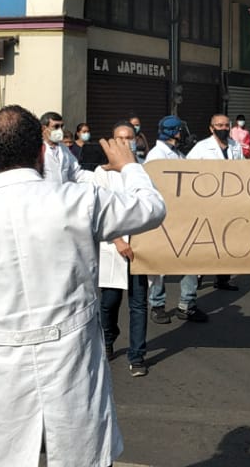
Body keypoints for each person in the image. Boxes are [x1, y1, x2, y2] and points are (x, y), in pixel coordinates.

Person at [0, 105, 167, 466]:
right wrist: (130, 166)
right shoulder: (77, 201)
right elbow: (151, 207)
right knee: (78, 455)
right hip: (70, 364)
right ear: (39, 153)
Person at [96, 120, 152, 377]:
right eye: (119, 138)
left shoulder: (144, 170)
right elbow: (99, 212)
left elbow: (151, 206)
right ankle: (108, 338)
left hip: (141, 248)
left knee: (139, 303)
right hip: (113, 247)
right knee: (109, 302)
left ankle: (137, 355)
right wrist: (118, 240)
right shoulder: (102, 173)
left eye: (129, 137)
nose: (125, 142)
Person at [145, 115, 208, 324]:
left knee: (188, 259)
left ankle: (187, 303)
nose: (183, 134)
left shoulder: (177, 154)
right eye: (180, 130)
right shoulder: (156, 156)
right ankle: (157, 304)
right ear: (173, 132)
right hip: (164, 217)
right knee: (161, 264)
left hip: (183, 216)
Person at [188, 113, 244, 292]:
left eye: (226, 125)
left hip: (230, 200)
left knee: (226, 240)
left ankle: (223, 278)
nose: (223, 129)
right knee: (206, 240)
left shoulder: (236, 146)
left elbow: (243, 169)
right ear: (211, 128)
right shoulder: (201, 147)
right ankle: (197, 275)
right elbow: (188, 170)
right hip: (208, 201)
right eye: (219, 126)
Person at [40, 112, 86, 184]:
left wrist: (100, 177)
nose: (60, 130)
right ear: (44, 128)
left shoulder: (64, 148)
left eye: (62, 126)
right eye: (56, 126)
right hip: (45, 193)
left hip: (63, 192)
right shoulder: (37, 149)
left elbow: (75, 173)